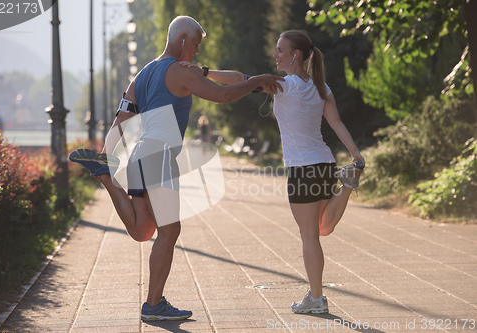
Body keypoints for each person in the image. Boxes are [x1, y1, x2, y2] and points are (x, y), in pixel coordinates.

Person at [68, 16, 284, 322]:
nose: (196, 52)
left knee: (144, 230)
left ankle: (107, 178)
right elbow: (223, 95)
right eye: (195, 44)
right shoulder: (179, 73)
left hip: (140, 155)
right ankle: (153, 305)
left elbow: (120, 121)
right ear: (182, 39)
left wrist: (106, 155)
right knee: (170, 230)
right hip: (160, 155)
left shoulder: (142, 74)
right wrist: (257, 81)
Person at [180, 30, 365, 315]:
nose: (275, 55)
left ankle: (316, 297)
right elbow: (337, 122)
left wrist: (205, 71)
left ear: (296, 55)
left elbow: (241, 80)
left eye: (281, 50)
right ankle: (347, 186)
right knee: (323, 228)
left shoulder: (284, 86)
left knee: (310, 236)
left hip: (302, 168)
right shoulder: (321, 88)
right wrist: (356, 155)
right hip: (325, 163)